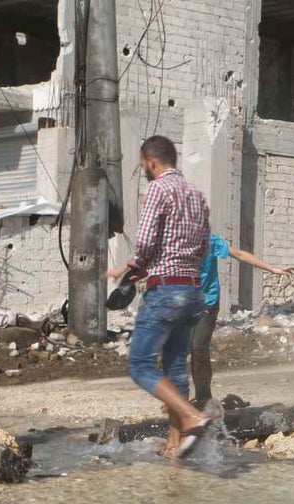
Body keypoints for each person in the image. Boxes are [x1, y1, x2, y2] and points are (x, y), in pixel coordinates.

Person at [108, 135, 211, 459]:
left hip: (166, 291)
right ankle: (174, 447)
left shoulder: (157, 189)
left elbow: (146, 242)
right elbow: (203, 247)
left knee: (140, 365)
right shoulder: (195, 195)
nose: (144, 171)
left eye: (143, 166)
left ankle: (192, 416)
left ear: (151, 162)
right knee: (175, 369)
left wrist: (135, 266)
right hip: (193, 290)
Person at [189, 234, 294, 410]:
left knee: (198, 347)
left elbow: (239, 254)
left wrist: (271, 268)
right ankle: (177, 399)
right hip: (182, 302)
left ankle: (203, 399)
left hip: (207, 301)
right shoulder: (172, 241)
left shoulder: (208, 239)